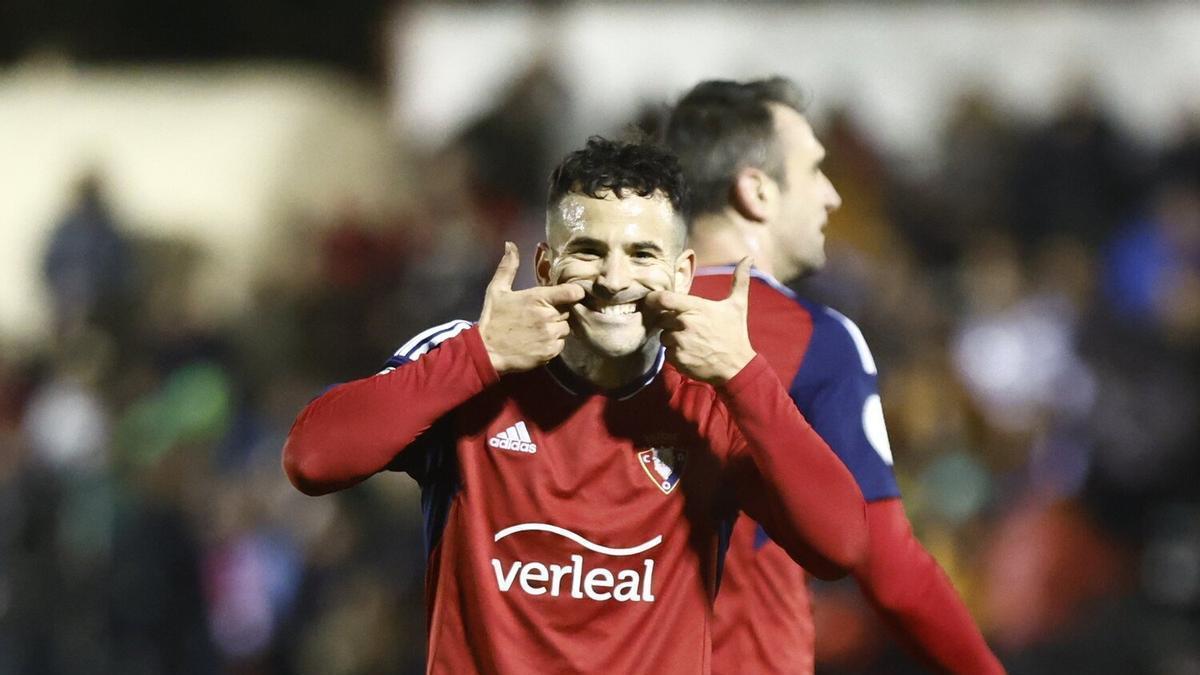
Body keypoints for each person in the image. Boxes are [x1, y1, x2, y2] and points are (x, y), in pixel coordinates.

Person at [282, 137, 868, 674]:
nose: (614, 279)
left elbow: (840, 545)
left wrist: (745, 377)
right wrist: (479, 355)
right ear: (544, 266)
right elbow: (311, 459)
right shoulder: (469, 363)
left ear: (682, 275)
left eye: (643, 254)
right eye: (588, 250)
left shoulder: (719, 397)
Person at [664, 78, 1004, 674]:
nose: (831, 197)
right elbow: (891, 572)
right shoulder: (813, 339)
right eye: (815, 170)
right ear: (757, 192)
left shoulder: (599, 327)